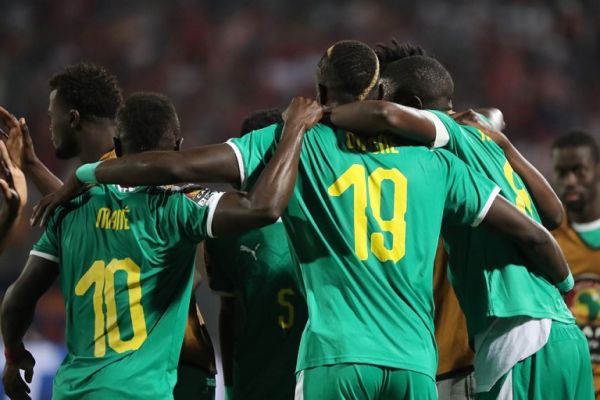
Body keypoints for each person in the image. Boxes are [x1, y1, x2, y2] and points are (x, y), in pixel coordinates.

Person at [34, 40, 572, 400]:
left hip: (335, 360)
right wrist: (563, 282)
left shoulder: (298, 140)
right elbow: (534, 224)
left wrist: (87, 173)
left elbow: (176, 164)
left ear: (318, 91)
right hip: (413, 365)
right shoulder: (436, 162)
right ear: (378, 92)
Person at [1, 92, 322, 399]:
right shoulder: (181, 208)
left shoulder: (72, 209)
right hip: (147, 388)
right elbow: (261, 207)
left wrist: (14, 355)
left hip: (73, 389)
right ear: (179, 147)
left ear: (116, 146)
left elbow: (16, 300)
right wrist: (293, 129)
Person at [327, 52, 591, 398]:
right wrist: (505, 144)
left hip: (516, 335)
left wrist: (318, 115)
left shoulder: (448, 135)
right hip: (565, 334)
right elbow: (554, 215)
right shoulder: (483, 136)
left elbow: (386, 115)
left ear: (415, 108)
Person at [0, 61, 218, 399]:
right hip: (154, 369)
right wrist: (31, 165)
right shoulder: (104, 183)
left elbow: (98, 216)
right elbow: (89, 215)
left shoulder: (140, 165)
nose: (47, 126)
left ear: (72, 118)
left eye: (50, 115)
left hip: (171, 364)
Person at [204, 108, 308, 400]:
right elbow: (229, 312)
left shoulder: (320, 215)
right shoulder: (225, 231)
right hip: (257, 379)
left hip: (313, 375)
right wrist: (232, 385)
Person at [552, 131, 600, 398]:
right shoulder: (545, 238)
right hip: (569, 387)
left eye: (579, 171)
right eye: (561, 172)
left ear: (597, 171)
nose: (570, 181)